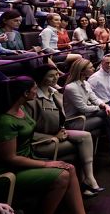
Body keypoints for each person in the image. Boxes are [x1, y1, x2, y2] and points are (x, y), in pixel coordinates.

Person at [0, 78, 105, 214]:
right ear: (25, 93)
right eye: (35, 88)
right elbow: (10, 158)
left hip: (27, 159)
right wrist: (47, 163)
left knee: (69, 168)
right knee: (62, 175)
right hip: (8, 171)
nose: (37, 91)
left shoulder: (21, 109)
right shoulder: (4, 121)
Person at [26, 65, 104, 198]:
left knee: (85, 136)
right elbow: (28, 131)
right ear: (41, 78)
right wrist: (53, 136)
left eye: (56, 74)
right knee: (79, 147)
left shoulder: (55, 93)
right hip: (42, 141)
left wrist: (61, 129)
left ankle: (89, 179)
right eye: (51, 76)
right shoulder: (32, 100)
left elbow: (61, 118)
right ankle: (82, 186)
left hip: (59, 133)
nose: (56, 77)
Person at [62, 59, 110, 160]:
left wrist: (105, 106)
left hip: (85, 116)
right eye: (91, 67)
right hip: (75, 121)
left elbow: (94, 99)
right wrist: (103, 107)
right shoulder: (71, 87)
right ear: (82, 71)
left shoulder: (85, 83)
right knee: (107, 115)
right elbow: (82, 108)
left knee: (107, 113)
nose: (93, 69)